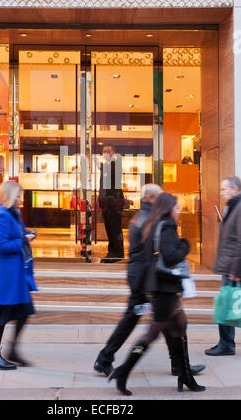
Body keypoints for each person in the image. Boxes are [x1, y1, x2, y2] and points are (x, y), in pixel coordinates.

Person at [94, 184, 205, 378]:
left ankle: (179, 366)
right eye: (160, 197)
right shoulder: (150, 219)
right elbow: (154, 254)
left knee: (165, 321)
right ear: (152, 198)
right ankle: (106, 360)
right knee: (141, 322)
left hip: (143, 277)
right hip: (145, 278)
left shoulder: (144, 216)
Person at [0, 180, 37, 370]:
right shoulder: (1, 216)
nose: (21, 198)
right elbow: (0, 246)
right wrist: (23, 240)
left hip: (16, 276)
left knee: (25, 311)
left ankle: (13, 349)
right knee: (0, 316)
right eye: (18, 195)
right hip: (5, 277)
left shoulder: (14, 213)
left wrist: (27, 234)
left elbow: (20, 234)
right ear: (9, 196)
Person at [205, 175, 241, 356]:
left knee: (228, 304)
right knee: (227, 304)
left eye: (224, 189)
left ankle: (226, 345)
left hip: (234, 267)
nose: (221, 192)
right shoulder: (231, 207)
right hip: (230, 265)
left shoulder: (239, 208)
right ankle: (226, 343)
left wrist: (236, 269)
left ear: (235, 189)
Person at [98, 144, 124, 263]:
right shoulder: (107, 165)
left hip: (114, 202)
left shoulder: (115, 163)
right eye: (104, 152)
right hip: (106, 202)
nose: (105, 154)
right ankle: (111, 251)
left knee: (115, 228)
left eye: (108, 151)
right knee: (109, 228)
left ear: (113, 152)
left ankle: (117, 253)